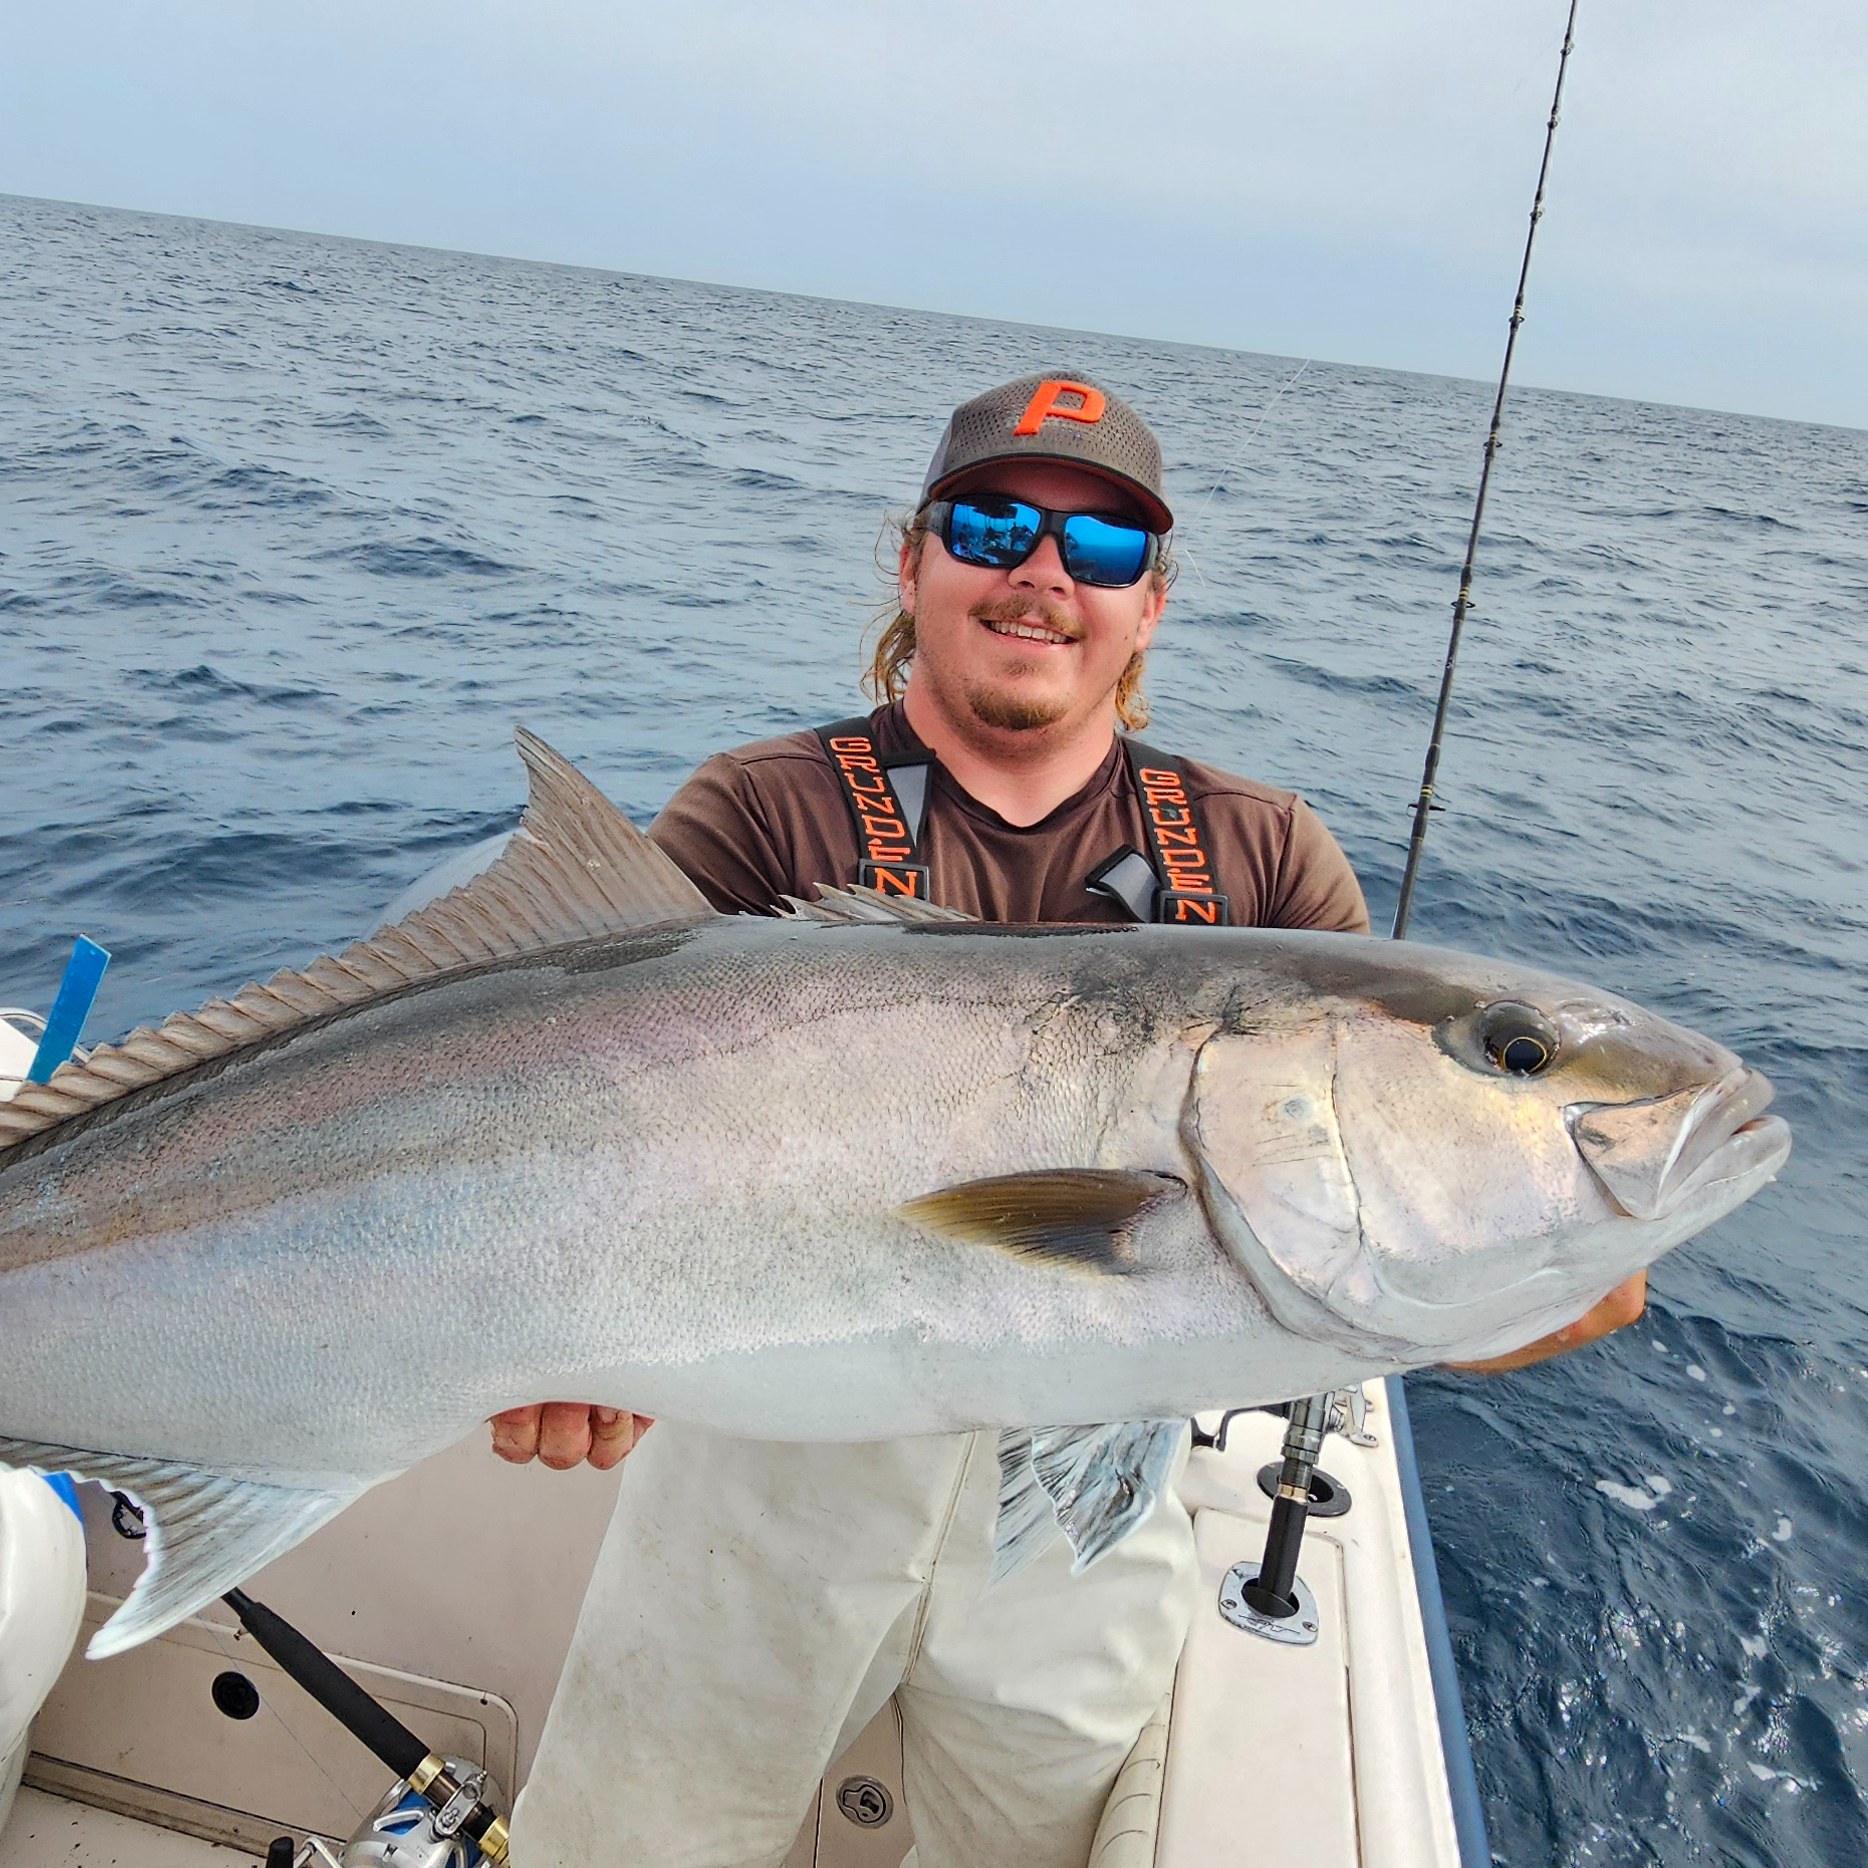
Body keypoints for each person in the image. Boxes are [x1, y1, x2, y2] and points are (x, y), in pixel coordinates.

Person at [495, 373, 1645, 1868]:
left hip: (1090, 1498)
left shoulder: (1261, 855)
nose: (1041, 573)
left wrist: (1525, 1266)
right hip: (764, 1462)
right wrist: (557, 1338)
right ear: (912, 564)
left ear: (1150, 606)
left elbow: (1371, 1231)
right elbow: (557, 1121)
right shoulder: (762, 813)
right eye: (993, 526)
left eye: (1100, 551)